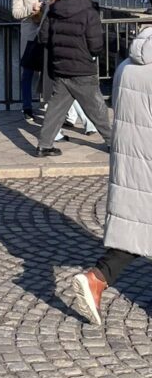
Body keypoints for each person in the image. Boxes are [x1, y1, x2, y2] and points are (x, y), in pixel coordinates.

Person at [72, 26, 152, 325]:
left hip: (131, 160)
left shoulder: (126, 67)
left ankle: (97, 277)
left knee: (139, 227)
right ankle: (97, 277)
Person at [36, 0, 112, 156]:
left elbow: (43, 37)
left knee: (55, 108)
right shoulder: (89, 12)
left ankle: (44, 145)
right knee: (97, 108)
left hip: (59, 67)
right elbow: (96, 46)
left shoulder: (55, 9)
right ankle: (112, 142)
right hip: (82, 69)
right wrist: (91, 54)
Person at [12, 0, 55, 122]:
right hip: (30, 35)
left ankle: (50, 107)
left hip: (48, 34)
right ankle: (27, 107)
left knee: (50, 72)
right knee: (28, 73)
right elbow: (16, 13)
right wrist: (31, 8)